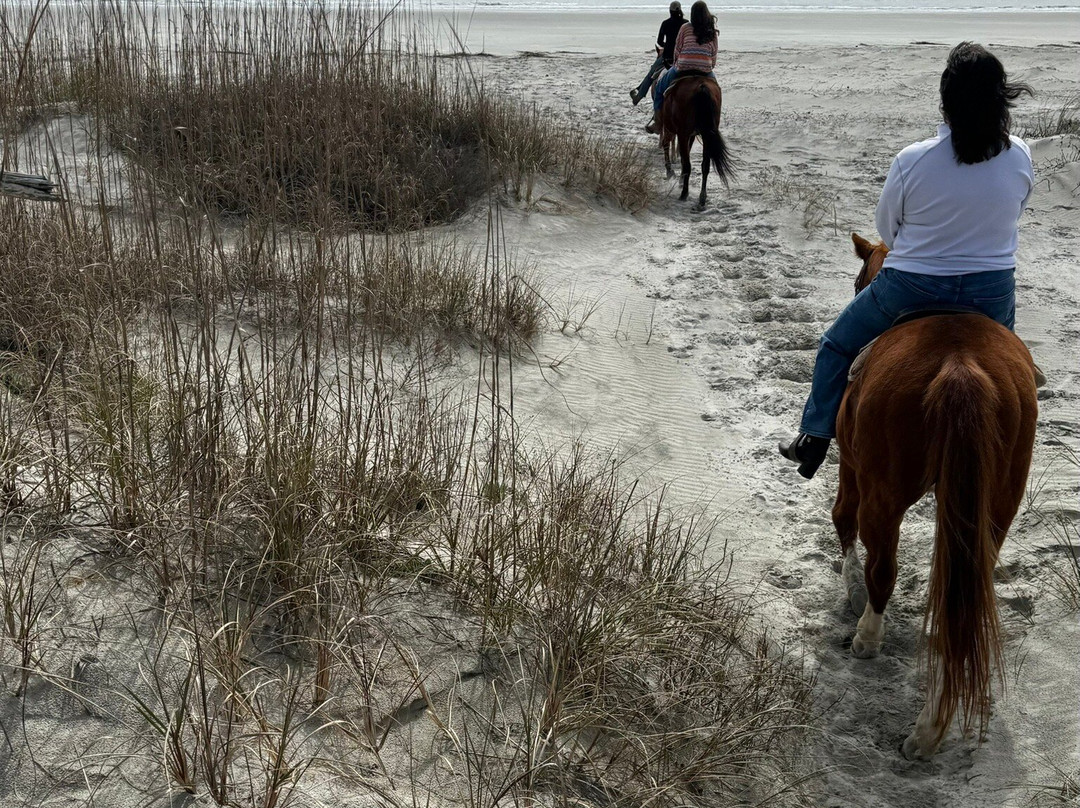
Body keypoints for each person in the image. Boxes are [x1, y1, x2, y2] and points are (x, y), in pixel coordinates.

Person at [779, 42, 1034, 479]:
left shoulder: (913, 160)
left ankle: (814, 438)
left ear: (946, 99)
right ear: (1000, 98)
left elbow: (889, 231)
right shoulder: (1021, 156)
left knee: (836, 345)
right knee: (1015, 368)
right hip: (991, 292)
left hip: (912, 285)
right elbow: (1015, 211)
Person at [645, 0, 718, 134]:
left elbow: (677, 50)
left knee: (660, 87)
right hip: (705, 69)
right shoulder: (711, 31)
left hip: (683, 66)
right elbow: (713, 55)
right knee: (716, 91)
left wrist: (679, 62)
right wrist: (707, 65)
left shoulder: (685, 27)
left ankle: (658, 122)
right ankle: (714, 124)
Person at [629, 2, 686, 106]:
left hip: (668, 57)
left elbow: (659, 42)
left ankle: (638, 96)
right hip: (682, 56)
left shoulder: (665, 23)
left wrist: (668, 45)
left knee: (651, 74)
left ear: (670, 11)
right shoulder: (686, 23)